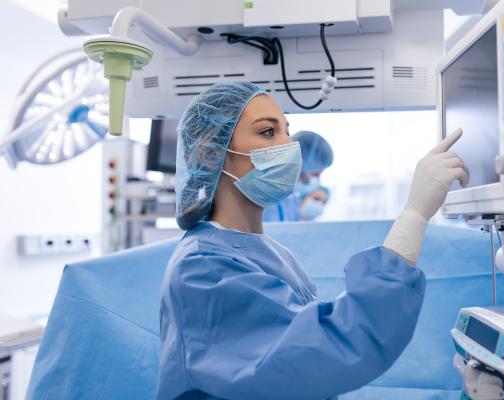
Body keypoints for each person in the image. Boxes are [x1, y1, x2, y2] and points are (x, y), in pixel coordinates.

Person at [158, 81, 469, 400]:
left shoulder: (271, 253)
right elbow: (324, 350)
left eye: (287, 131)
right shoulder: (203, 269)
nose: (290, 146)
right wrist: (414, 215)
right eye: (268, 132)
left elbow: (306, 335)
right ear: (211, 155)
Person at [263, 130, 333, 222]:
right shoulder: (264, 194)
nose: (315, 180)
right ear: (300, 162)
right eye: (315, 174)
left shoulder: (291, 199)